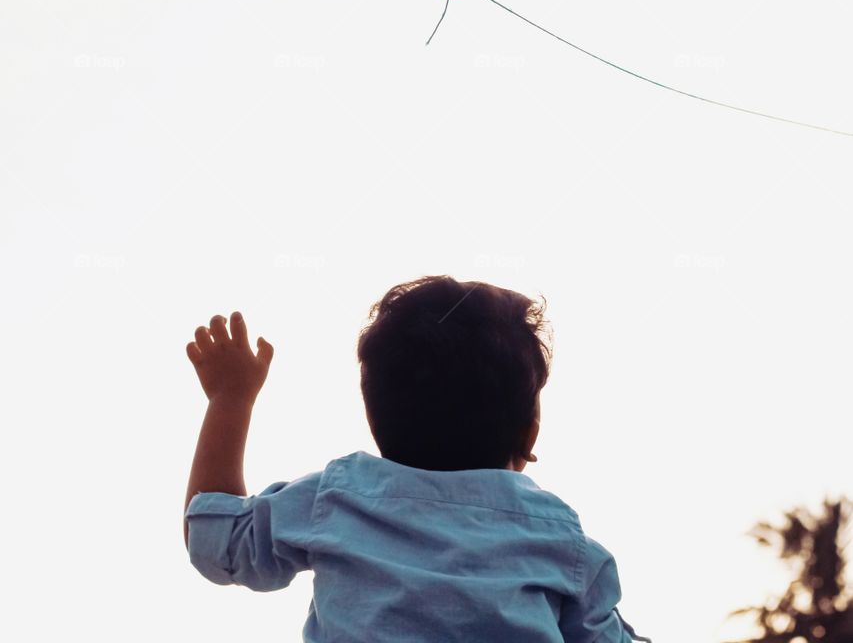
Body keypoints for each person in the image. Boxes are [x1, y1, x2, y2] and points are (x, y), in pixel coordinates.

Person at [184, 275, 650, 642]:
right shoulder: (559, 539)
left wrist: (230, 398)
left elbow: (216, 540)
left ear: (375, 419)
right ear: (529, 433)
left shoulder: (339, 500)